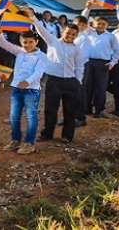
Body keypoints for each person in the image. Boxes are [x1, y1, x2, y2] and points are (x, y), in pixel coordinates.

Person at [30, 8, 85, 143]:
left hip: (71, 82)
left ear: (76, 36)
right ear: (63, 31)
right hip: (54, 81)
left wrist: (78, 81)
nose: (70, 36)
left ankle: (67, 136)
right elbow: (41, 30)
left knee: (69, 110)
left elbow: (79, 66)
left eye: (73, 34)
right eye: (68, 33)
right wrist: (32, 17)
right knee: (50, 109)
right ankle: (47, 134)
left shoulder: (77, 48)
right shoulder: (53, 41)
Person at [0, 29, 46, 155]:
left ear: (36, 42)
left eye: (30, 42)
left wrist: (27, 82)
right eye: (25, 42)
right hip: (16, 88)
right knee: (14, 116)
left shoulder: (42, 56)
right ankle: (15, 140)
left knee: (31, 115)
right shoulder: (19, 52)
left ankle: (29, 143)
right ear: (20, 42)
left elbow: (39, 72)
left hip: (31, 90)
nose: (27, 45)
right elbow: (4, 44)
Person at [81, 15, 119, 118]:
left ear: (107, 25)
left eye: (103, 24)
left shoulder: (110, 36)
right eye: (98, 23)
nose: (100, 25)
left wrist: (113, 62)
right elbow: (83, 18)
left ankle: (99, 110)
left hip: (103, 64)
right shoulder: (88, 32)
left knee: (100, 87)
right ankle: (86, 108)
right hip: (89, 63)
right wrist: (87, 8)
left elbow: (118, 51)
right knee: (87, 86)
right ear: (94, 24)